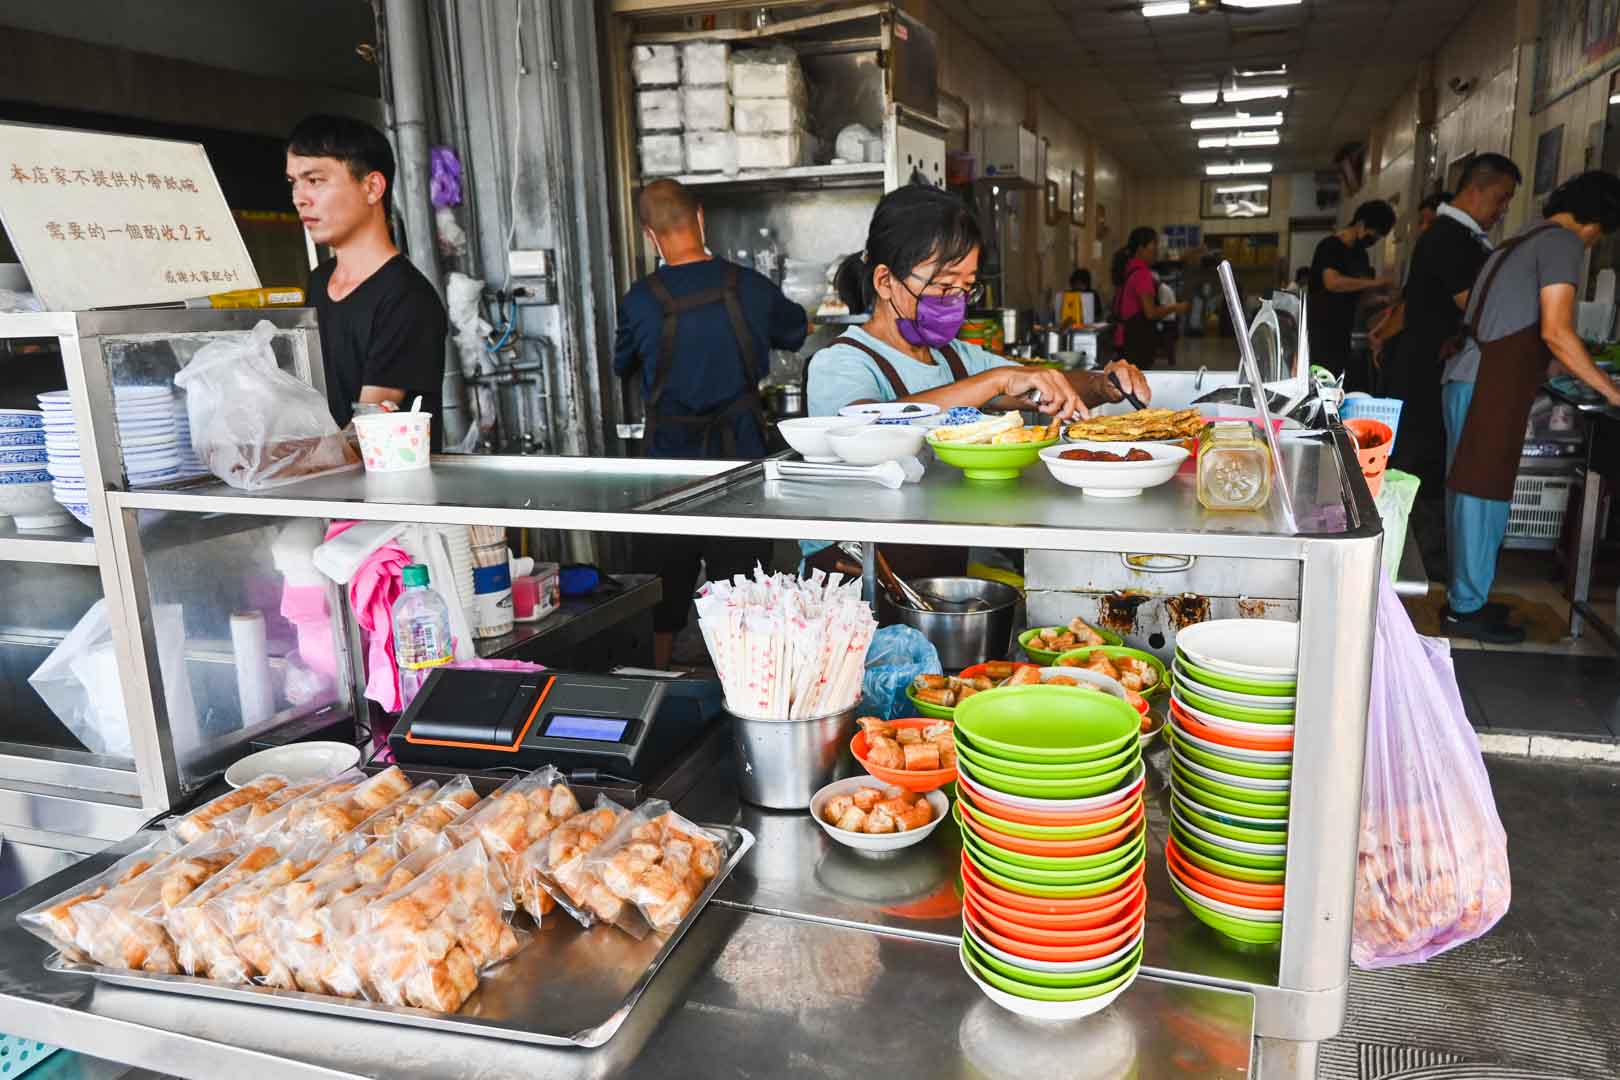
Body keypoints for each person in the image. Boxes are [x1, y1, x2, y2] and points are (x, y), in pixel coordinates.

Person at [805, 182, 1149, 578]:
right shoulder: (842, 362)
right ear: (885, 282)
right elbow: (865, 426)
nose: (954, 301)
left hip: (938, 560)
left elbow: (1035, 383)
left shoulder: (953, 357)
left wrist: (1103, 383)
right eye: (943, 286)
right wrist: (995, 382)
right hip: (857, 570)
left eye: (965, 288)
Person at [613, 178, 809, 667]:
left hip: (667, 464)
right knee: (745, 588)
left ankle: (654, 682)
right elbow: (797, 328)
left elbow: (623, 364)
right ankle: (748, 681)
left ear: (649, 235)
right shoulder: (748, 286)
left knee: (663, 586)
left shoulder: (639, 300)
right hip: (738, 456)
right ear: (700, 218)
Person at [1441, 171, 1620, 643]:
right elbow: (1556, 331)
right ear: (1596, 221)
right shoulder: (1562, 243)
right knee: (1480, 496)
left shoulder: (1518, 239)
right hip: (1489, 383)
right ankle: (1464, 610)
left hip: (1474, 378)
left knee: (1477, 495)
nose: (1595, 240)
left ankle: (1470, 598)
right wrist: (1611, 390)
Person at [1387, 155, 1521, 578]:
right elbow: (1479, 307)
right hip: (1426, 369)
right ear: (1476, 189)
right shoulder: (1450, 238)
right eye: (1501, 199)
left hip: (1433, 364)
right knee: (1422, 461)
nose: (1502, 210)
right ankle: (1423, 561)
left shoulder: (1460, 238)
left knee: (1428, 458)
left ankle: (1426, 557)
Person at [287, 114, 448, 447]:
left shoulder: (406, 298)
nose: (299, 198)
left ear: (372, 187)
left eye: (315, 180)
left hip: (390, 491)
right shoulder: (318, 282)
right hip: (327, 489)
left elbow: (370, 428)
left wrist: (287, 460)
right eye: (293, 182)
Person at [1307, 199, 1397, 387]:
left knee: (1339, 383)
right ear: (1361, 224)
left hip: (1344, 330)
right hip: (1321, 330)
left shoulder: (1360, 255)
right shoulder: (1330, 246)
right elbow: (1332, 283)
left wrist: (1383, 299)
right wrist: (1376, 282)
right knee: (1322, 381)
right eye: (1375, 235)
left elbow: (1358, 292)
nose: (1374, 241)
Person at [1367, 190, 1454, 366]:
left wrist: (1382, 337)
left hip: (1425, 350)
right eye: (1421, 222)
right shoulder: (1423, 253)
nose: (1423, 228)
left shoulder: (1448, 258)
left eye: (1430, 222)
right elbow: (1405, 300)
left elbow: (1411, 306)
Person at [1111, 228, 1190, 368]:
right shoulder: (1142, 274)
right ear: (1141, 248)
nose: (1157, 250)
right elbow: (1150, 312)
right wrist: (1175, 307)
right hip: (1135, 342)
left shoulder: (1129, 269)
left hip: (1124, 338)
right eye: (1154, 244)